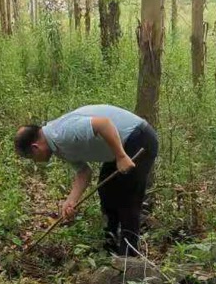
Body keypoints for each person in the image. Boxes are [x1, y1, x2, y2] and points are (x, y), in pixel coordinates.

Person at [14, 105, 159, 256]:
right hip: (118, 148)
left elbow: (103, 124)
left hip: (139, 138)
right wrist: (71, 200)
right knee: (107, 191)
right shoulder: (57, 146)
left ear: (35, 147)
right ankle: (110, 249)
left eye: (32, 158)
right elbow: (83, 172)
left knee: (126, 197)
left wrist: (121, 156)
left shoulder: (63, 133)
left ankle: (129, 257)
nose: (36, 162)